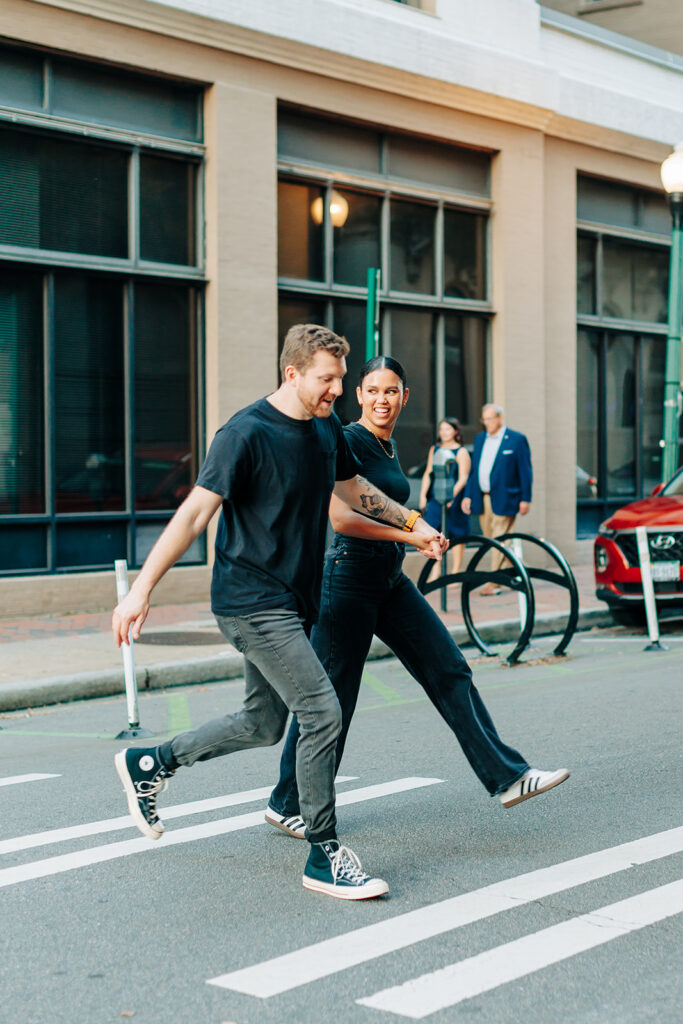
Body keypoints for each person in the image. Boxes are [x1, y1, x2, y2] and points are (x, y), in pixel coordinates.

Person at [112, 324, 446, 902]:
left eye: (341, 379)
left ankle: (152, 763)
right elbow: (194, 516)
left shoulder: (323, 430)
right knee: (321, 709)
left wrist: (411, 525)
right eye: (328, 379)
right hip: (250, 602)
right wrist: (141, 590)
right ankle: (324, 853)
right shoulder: (244, 433)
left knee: (263, 724)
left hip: (293, 602)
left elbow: (355, 490)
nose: (338, 391)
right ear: (292, 374)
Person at [265, 356, 568, 841]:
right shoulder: (344, 441)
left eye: (391, 391)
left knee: (449, 669)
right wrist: (410, 535)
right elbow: (341, 519)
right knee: (332, 700)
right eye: (372, 390)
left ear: (404, 397)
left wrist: (419, 531)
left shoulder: (386, 446)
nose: (382, 399)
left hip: (388, 580)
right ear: (358, 395)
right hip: (346, 582)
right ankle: (287, 802)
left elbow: (391, 507)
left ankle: (508, 777)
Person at [462, 404, 533, 596]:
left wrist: (526, 498)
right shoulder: (479, 439)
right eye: (484, 419)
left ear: (500, 418)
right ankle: (519, 571)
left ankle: (494, 582)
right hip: (482, 497)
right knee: (493, 539)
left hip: (506, 497)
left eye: (490, 419)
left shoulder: (517, 440)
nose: (487, 423)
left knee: (498, 540)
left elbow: (525, 471)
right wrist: (468, 494)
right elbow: (474, 470)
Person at [419, 417, 471, 575]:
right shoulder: (435, 449)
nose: (444, 432)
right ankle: (436, 570)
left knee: (456, 533)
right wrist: (423, 495)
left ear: (455, 431)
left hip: (454, 498)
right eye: (442, 429)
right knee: (434, 532)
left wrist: (450, 496)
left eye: (448, 429)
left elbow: (463, 478)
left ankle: (455, 571)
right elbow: (428, 472)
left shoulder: (461, 451)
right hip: (436, 496)